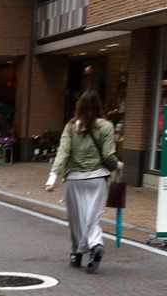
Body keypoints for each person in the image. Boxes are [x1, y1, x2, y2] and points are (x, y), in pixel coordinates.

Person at [45, 90, 123, 272]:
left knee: (76, 219)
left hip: (73, 179)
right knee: (92, 217)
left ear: (79, 106)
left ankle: (76, 254)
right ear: (99, 107)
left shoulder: (71, 126)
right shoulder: (106, 126)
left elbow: (63, 152)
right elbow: (108, 155)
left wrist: (52, 177)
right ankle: (96, 245)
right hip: (97, 178)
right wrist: (117, 165)